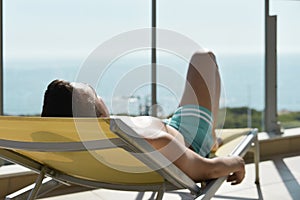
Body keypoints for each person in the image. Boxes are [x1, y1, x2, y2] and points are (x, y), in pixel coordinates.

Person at [42, 51, 245, 184]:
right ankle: (210, 136)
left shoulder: (77, 146)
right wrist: (236, 162)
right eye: (95, 94)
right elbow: (204, 169)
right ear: (102, 115)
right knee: (204, 58)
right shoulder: (149, 138)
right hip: (190, 135)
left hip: (167, 132)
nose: (100, 95)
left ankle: (209, 135)